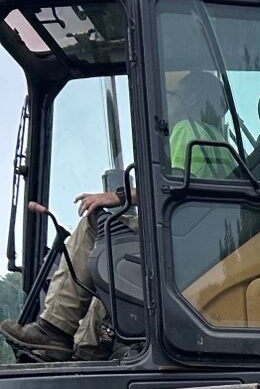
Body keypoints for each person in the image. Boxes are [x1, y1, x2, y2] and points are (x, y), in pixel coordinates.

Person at [2, 68, 234, 362]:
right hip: (196, 242)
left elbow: (172, 181)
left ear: (190, 98)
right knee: (105, 262)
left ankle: (54, 327)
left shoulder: (189, 128)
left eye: (172, 97)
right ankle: (87, 349)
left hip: (176, 242)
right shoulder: (220, 142)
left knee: (93, 226)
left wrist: (116, 196)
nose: (169, 105)